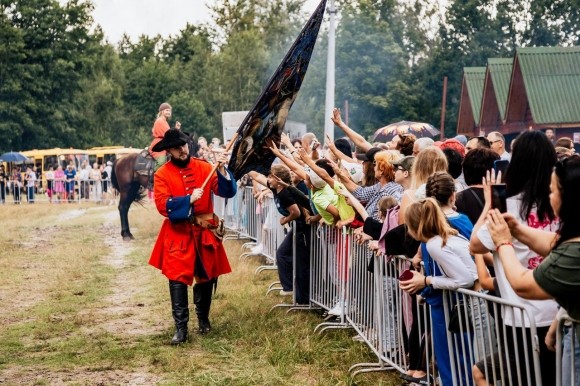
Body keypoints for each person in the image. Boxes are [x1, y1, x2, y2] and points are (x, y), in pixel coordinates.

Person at [470, 130, 558, 385]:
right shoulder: (559, 203)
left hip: (520, 315)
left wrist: (489, 204)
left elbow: (475, 245)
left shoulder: (509, 206)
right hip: (557, 310)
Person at [485, 154, 580, 386]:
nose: (549, 196)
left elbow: (523, 284)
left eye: (553, 190)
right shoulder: (572, 242)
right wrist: (518, 230)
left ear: (568, 198)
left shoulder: (573, 253)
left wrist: (503, 242)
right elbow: (553, 242)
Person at [148, 128, 237, 345]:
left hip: (204, 231)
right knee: (177, 280)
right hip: (178, 233)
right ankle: (181, 329)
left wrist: (223, 170)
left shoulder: (205, 167)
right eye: (177, 148)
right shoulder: (162, 174)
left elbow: (227, 191)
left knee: (207, 278)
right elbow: (162, 205)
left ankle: (203, 318)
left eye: (184, 146)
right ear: (169, 151)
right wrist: (187, 199)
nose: (182, 150)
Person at [149, 102, 181, 169]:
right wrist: (176, 130)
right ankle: (156, 176)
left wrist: (176, 129)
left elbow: (169, 133)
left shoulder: (164, 121)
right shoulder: (160, 121)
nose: (169, 112)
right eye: (167, 110)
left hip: (164, 144)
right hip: (158, 145)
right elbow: (169, 134)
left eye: (170, 111)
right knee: (162, 161)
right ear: (162, 111)